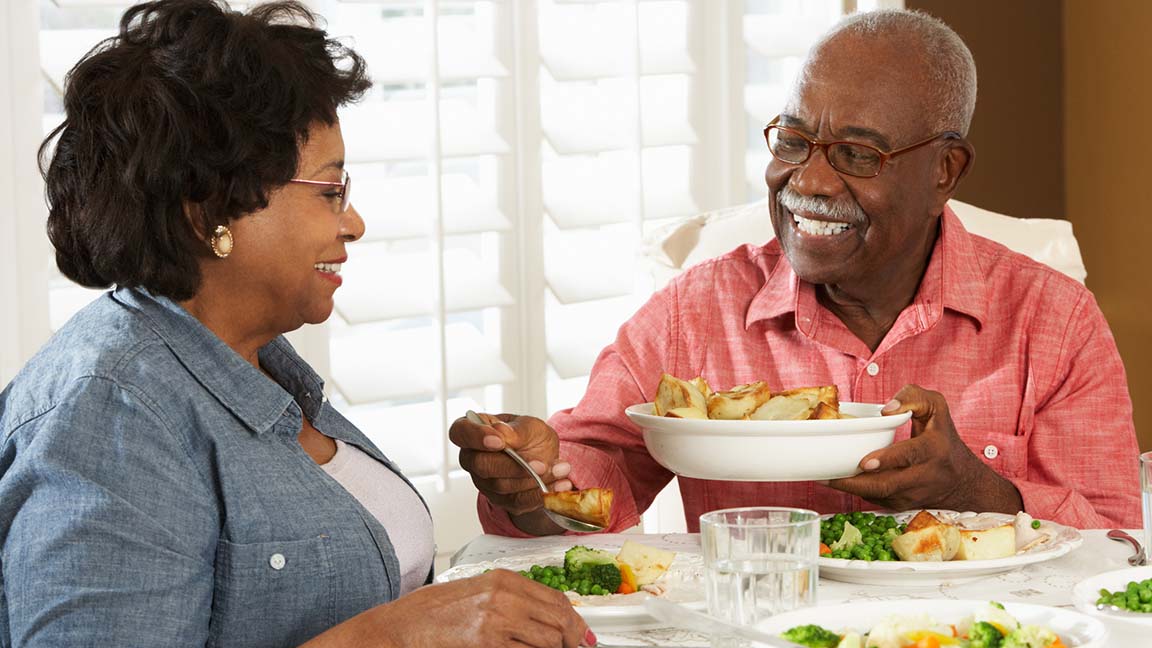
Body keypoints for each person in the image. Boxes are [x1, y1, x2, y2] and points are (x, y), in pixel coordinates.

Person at [0, 2, 591, 647]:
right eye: (328, 191)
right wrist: (394, 639)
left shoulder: (256, 366)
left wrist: (527, 504)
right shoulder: (111, 417)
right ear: (210, 213)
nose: (354, 223)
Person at [451, 9, 1140, 536]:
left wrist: (976, 494)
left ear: (944, 172)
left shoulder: (1054, 322)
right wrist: (535, 477)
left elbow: (1119, 547)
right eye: (793, 140)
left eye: (857, 154)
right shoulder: (699, 311)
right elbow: (594, 469)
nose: (806, 180)